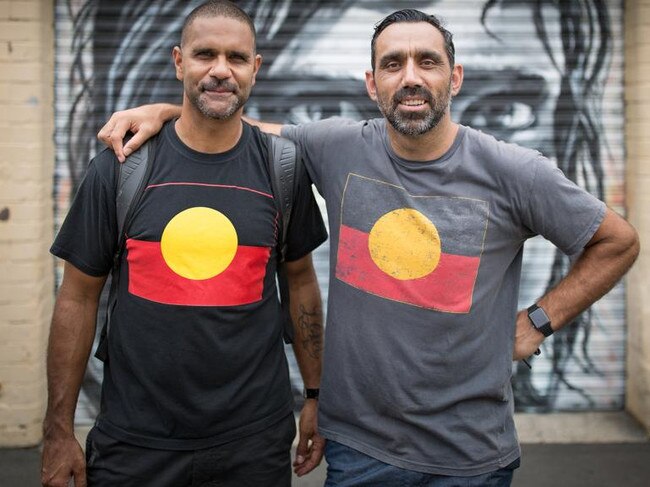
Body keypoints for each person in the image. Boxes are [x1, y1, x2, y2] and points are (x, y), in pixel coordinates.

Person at [98, 8, 639, 486]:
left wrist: (538, 321)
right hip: (361, 452)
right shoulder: (336, 146)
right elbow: (234, 126)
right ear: (371, 83)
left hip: (473, 455)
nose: (410, 78)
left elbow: (616, 241)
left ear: (454, 77)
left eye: (427, 62)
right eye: (392, 64)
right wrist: (168, 112)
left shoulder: (513, 171)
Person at [42, 1, 328, 486]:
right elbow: (76, 297)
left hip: (253, 441)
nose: (220, 70)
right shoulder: (120, 168)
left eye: (236, 58)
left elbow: (300, 283)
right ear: (178, 61)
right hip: (135, 441)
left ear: (256, 69)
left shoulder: (283, 169)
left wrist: (317, 396)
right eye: (205, 54)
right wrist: (58, 430)